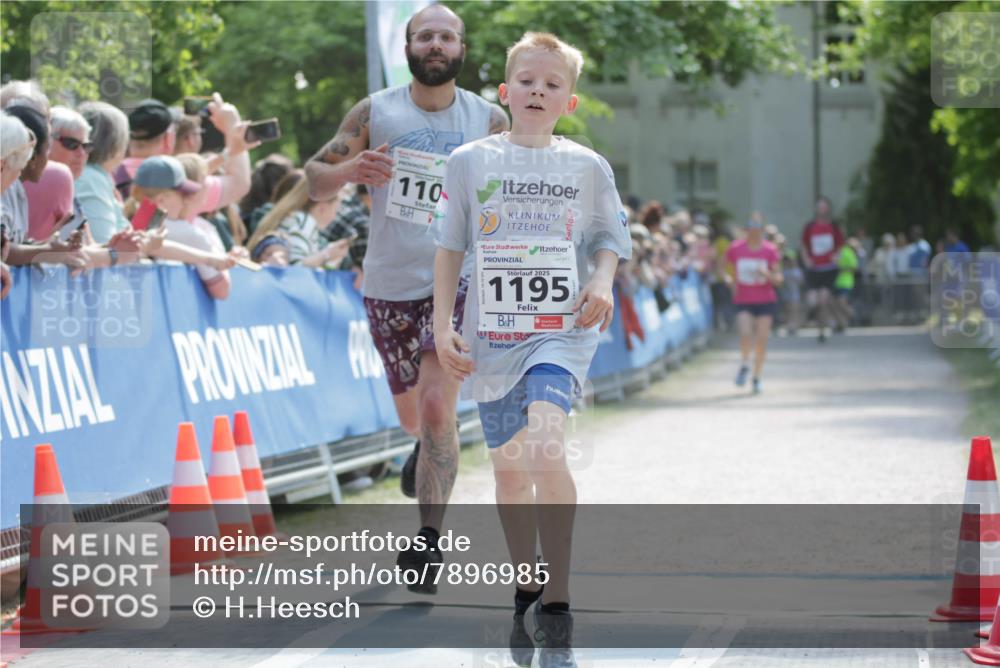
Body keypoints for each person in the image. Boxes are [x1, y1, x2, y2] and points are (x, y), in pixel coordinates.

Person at [433, 31, 631, 667]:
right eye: (527, 81)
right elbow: (450, 246)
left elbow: (610, 236)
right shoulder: (469, 161)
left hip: (560, 331)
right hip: (492, 335)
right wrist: (442, 323)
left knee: (547, 445)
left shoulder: (586, 166)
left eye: (552, 84)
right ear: (504, 92)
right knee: (511, 472)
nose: (538, 91)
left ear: (569, 102)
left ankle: (560, 597)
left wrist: (601, 280)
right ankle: (526, 581)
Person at [304, 3, 509, 584]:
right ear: (409, 47)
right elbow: (313, 176)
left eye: (447, 36)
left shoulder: (489, 119)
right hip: (389, 285)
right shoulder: (375, 111)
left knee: (439, 406)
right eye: (425, 36)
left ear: (462, 48)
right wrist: (350, 172)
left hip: (459, 281)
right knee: (415, 416)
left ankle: (428, 543)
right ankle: (425, 449)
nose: (436, 45)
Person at [725, 212, 782, 393]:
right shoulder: (736, 248)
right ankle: (744, 364)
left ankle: (757, 377)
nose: (754, 231)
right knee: (745, 333)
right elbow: (723, 267)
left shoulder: (770, 250)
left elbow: (778, 279)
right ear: (747, 229)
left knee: (761, 340)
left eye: (757, 228)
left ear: (762, 230)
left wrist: (767, 274)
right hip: (743, 299)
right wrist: (728, 279)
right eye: (751, 227)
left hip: (765, 300)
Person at [245, 178, 350, 268]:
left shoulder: (296, 218)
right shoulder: (304, 222)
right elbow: (296, 267)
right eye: (336, 208)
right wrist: (328, 254)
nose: (335, 216)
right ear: (323, 207)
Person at [800, 195, 844, 343]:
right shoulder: (810, 227)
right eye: (820, 206)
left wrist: (837, 256)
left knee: (823, 299)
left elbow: (840, 246)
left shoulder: (834, 227)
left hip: (829, 269)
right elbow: (804, 246)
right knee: (814, 301)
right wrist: (806, 259)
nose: (822, 209)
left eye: (824, 206)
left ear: (828, 209)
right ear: (816, 208)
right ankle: (818, 319)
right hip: (814, 270)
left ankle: (821, 330)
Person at [832, 237, 859, 332]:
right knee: (835, 304)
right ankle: (841, 323)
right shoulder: (839, 251)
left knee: (841, 302)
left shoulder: (848, 252)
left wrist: (842, 269)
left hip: (846, 282)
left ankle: (854, 317)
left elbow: (854, 268)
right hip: (837, 282)